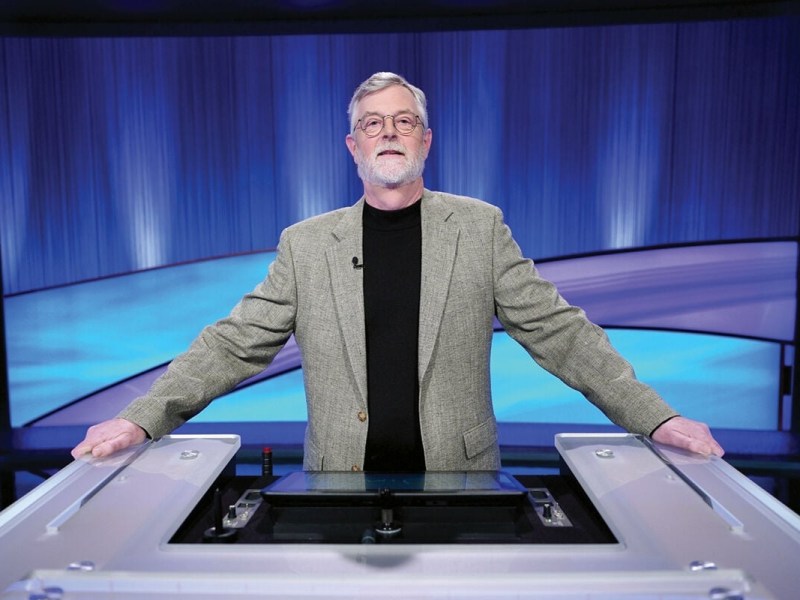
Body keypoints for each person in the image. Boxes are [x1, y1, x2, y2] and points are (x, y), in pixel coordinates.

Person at [71, 72, 724, 468]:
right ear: (354, 145)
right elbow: (231, 344)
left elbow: (562, 333)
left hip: (460, 481)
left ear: (425, 141)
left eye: (404, 121)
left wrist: (655, 417)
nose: (390, 132)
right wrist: (143, 416)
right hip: (338, 482)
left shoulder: (478, 227)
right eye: (373, 123)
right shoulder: (306, 245)